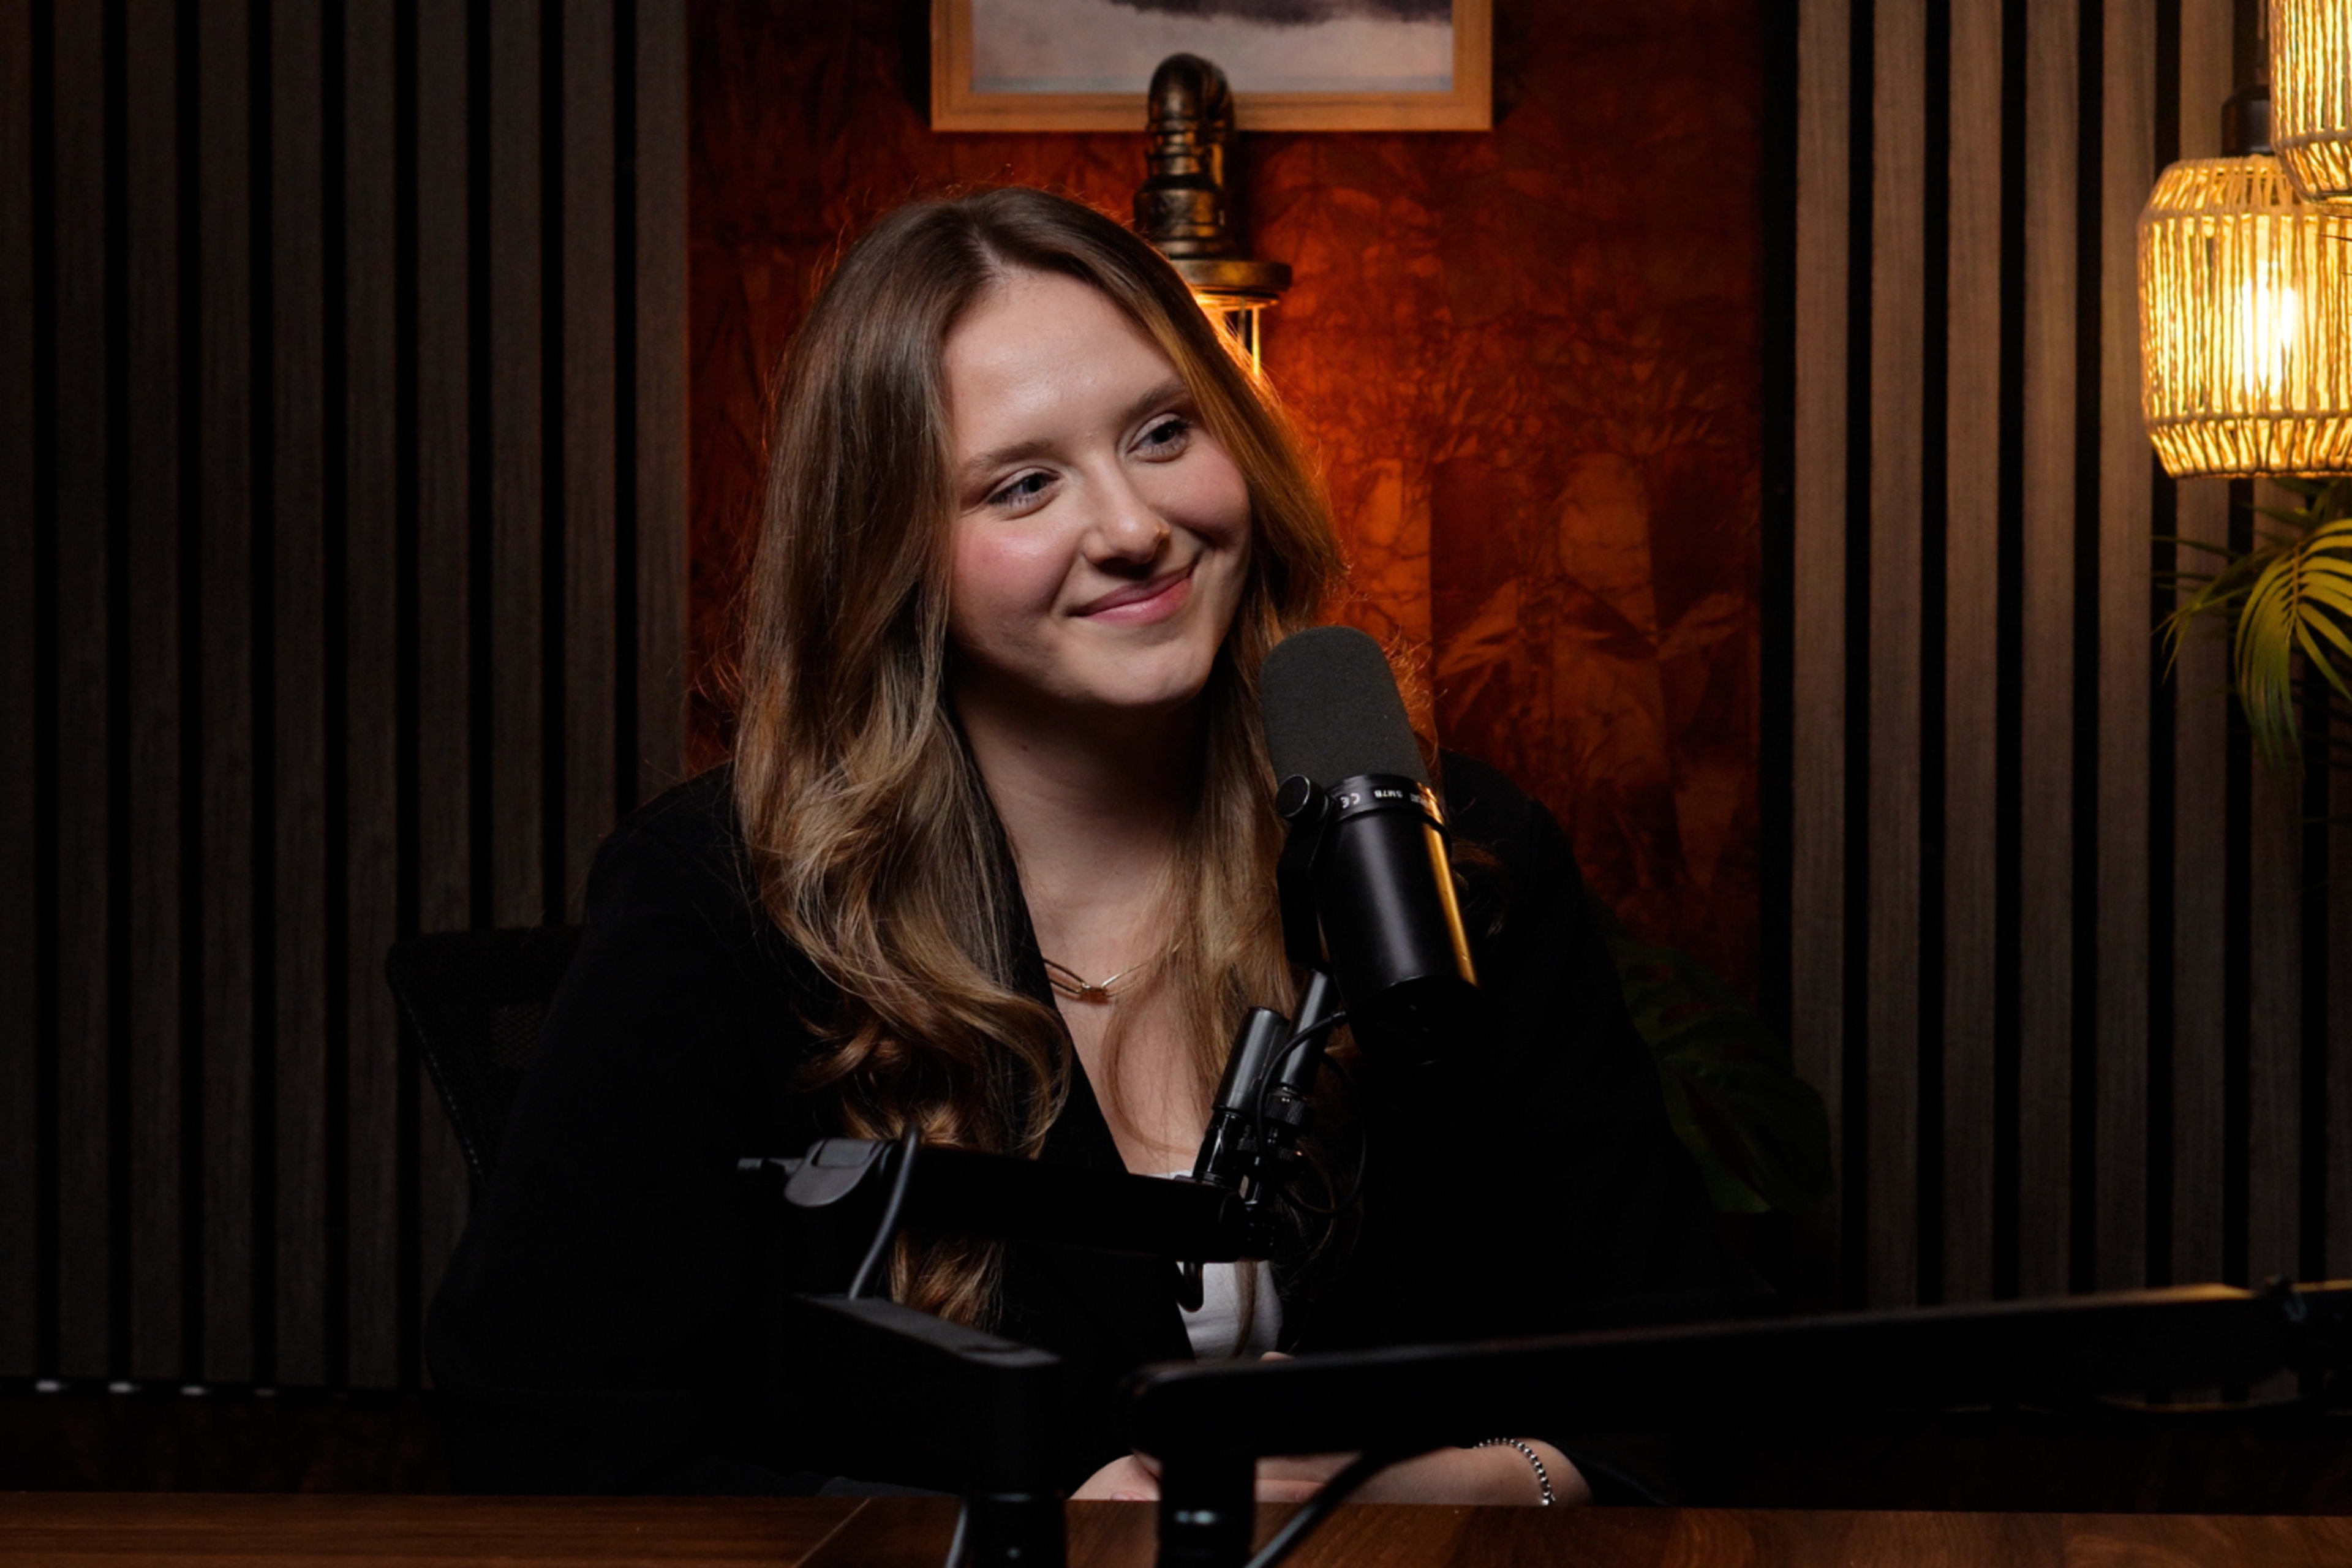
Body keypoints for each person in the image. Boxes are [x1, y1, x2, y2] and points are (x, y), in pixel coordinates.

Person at [426, 186, 1734, 1504]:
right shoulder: (725, 900)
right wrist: (1019, 1536)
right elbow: (542, 1437)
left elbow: (1682, 1377)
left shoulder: (1456, 855)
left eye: (1164, 432)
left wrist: (1408, 1488)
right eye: (1024, 483)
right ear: (893, 554)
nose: (1131, 527)